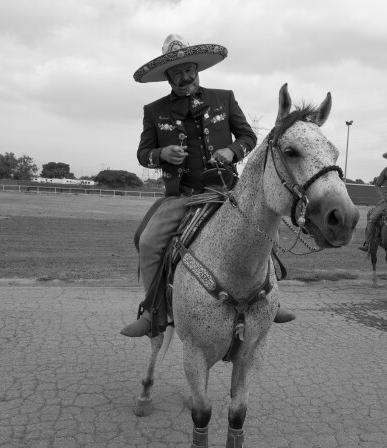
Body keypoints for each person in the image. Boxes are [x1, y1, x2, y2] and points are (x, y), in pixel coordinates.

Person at [121, 34, 296, 338]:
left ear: (197, 68)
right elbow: (142, 154)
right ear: (167, 76)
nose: (184, 76)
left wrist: (231, 151)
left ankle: (271, 298)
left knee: (267, 231)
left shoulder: (223, 98)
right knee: (148, 242)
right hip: (184, 196)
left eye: (188, 69)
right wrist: (161, 154)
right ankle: (153, 312)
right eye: (176, 72)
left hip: (228, 192)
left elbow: (248, 137)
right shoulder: (154, 110)